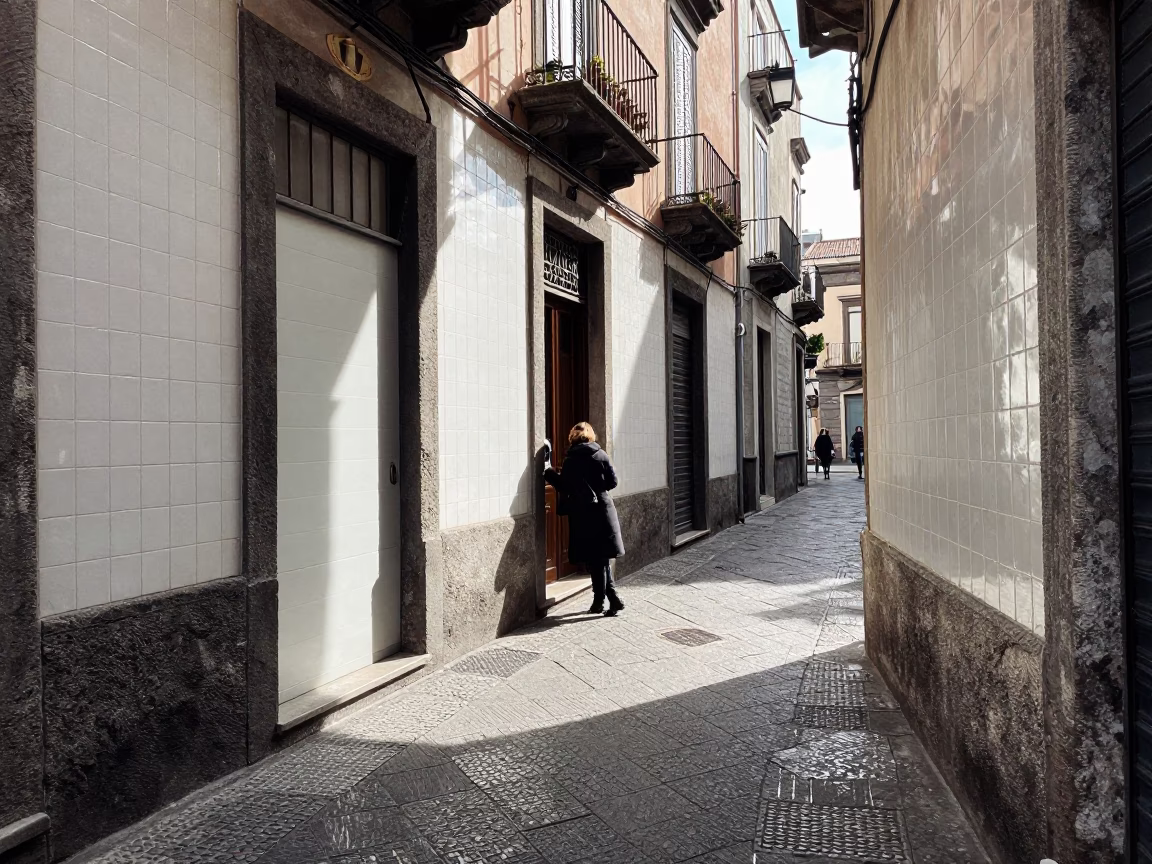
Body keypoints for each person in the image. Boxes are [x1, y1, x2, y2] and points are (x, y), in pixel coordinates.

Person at [544, 422, 626, 615]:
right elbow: (612, 482)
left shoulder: (572, 459)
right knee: (601, 559)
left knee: (596, 559)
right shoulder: (601, 454)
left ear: (573, 436)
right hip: (604, 511)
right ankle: (608, 600)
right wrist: (598, 486)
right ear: (591, 436)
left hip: (585, 513)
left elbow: (564, 486)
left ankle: (605, 600)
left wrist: (547, 471)